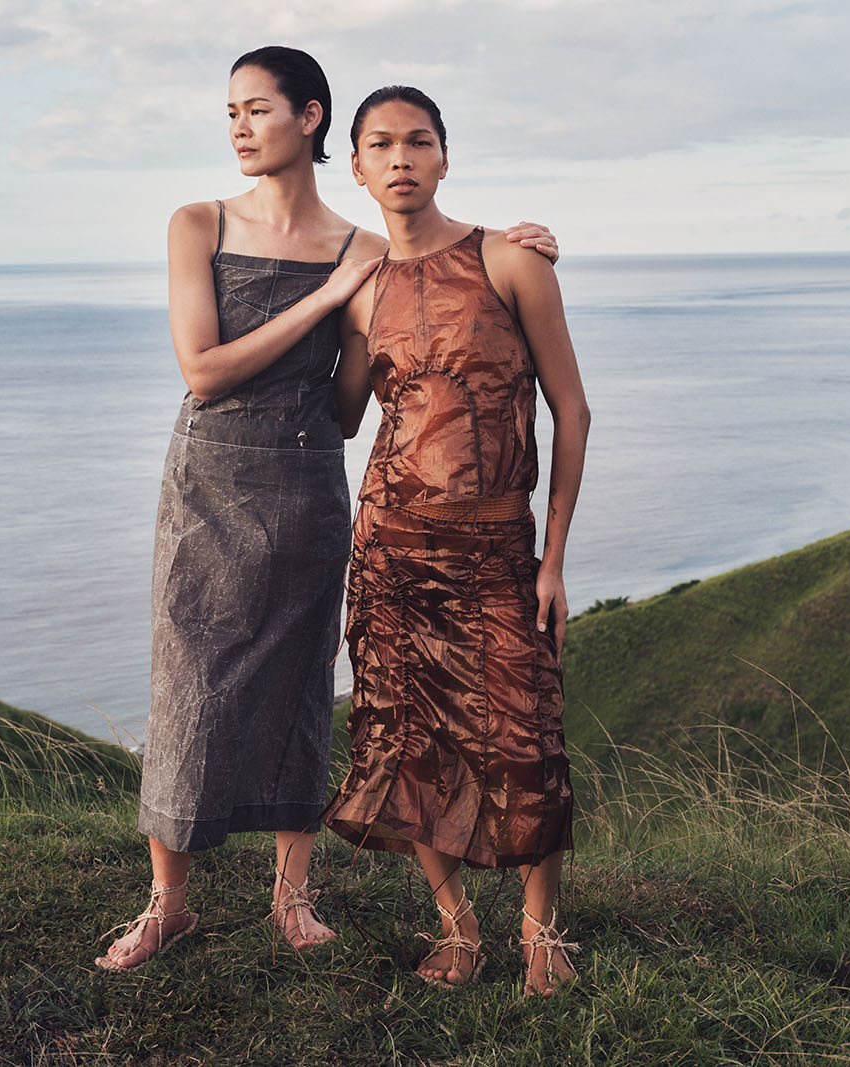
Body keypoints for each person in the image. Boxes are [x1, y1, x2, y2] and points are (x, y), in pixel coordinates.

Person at [96, 47, 559, 973]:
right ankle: (166, 903)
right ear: (352, 149)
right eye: (229, 111)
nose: (236, 126)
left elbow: (404, 335)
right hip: (208, 478)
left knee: (306, 682)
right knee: (188, 680)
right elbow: (203, 371)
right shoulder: (200, 223)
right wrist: (328, 302)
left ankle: (292, 895)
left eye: (255, 109)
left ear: (309, 120)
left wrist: (527, 247)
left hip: (311, 481)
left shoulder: (365, 249)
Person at [321, 85, 591, 997]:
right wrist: (321, 313)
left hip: (497, 552)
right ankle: (458, 926)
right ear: (356, 167)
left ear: (444, 158)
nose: (401, 158)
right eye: (381, 145)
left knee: (524, 739)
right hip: (391, 547)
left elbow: (572, 409)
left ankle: (541, 928)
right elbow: (346, 415)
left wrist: (553, 558)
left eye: (419, 142)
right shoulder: (360, 290)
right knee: (406, 740)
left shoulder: (511, 260)